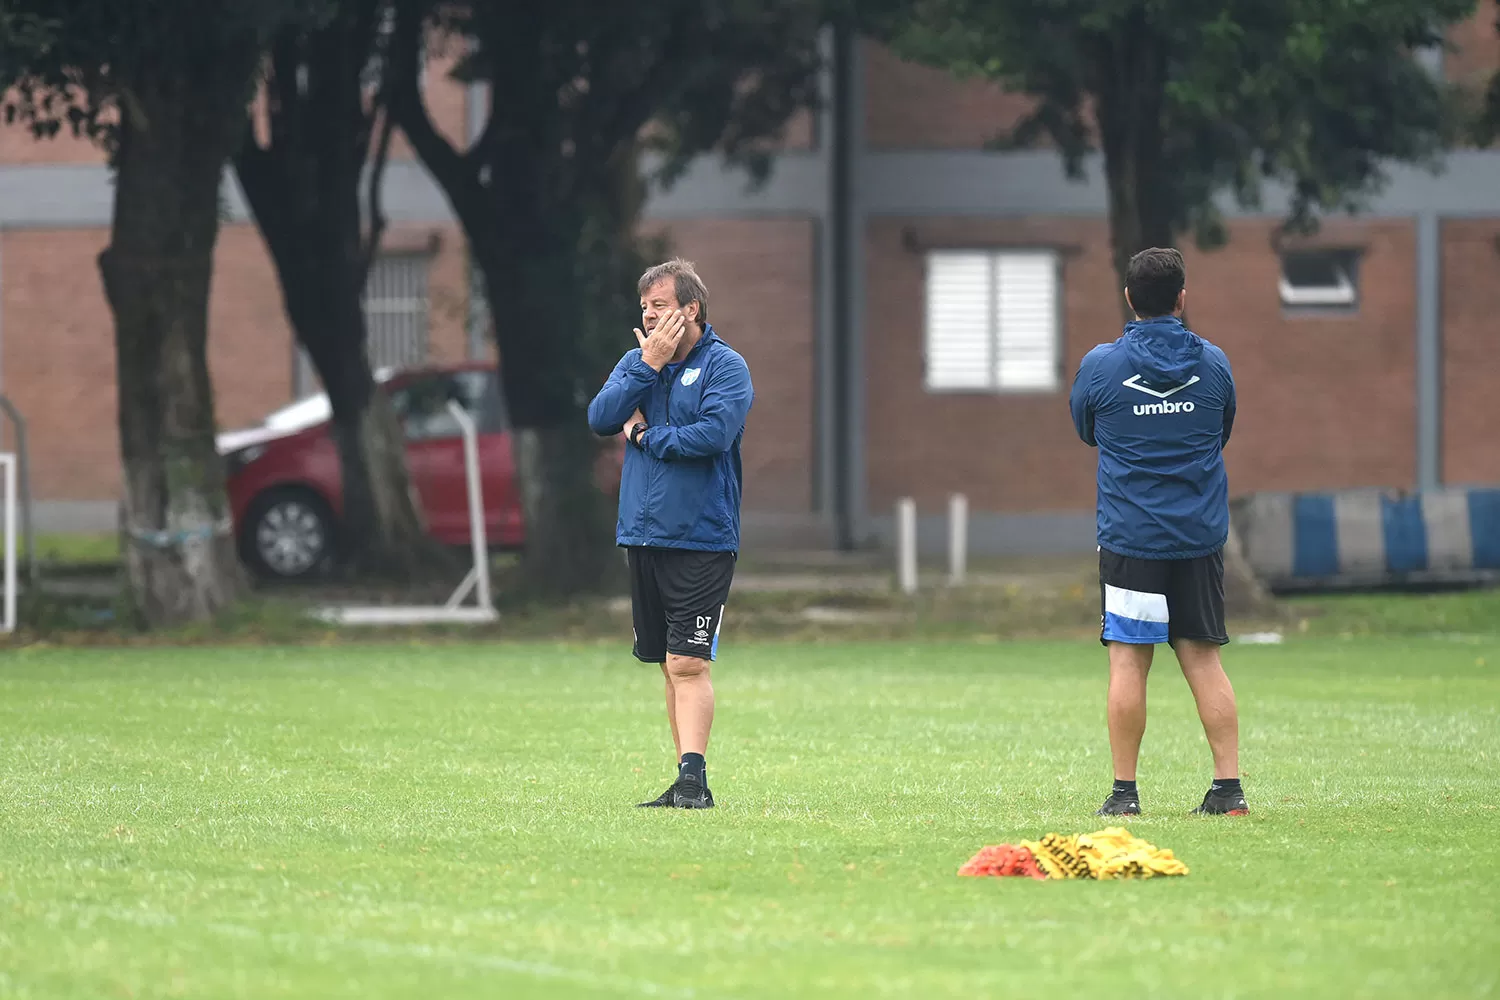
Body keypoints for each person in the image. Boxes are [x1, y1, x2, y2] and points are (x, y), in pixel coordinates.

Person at [1068, 246, 1248, 818]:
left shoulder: (1101, 365)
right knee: (1203, 657)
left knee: (1128, 660)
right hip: (1198, 538)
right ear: (1181, 299)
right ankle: (1229, 789)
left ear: (1129, 298)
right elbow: (1222, 430)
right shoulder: (1215, 364)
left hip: (1130, 539)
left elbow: (1086, 429)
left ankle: (1124, 796)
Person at [586, 258, 754, 810]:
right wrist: (646, 366)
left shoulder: (726, 368)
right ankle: (685, 780)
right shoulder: (639, 363)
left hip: (702, 536)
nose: (649, 315)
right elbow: (601, 416)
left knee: (689, 662)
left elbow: (710, 435)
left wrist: (644, 437)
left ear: (691, 309)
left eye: (660, 306)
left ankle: (694, 778)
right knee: (666, 661)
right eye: (644, 307)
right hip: (642, 533)